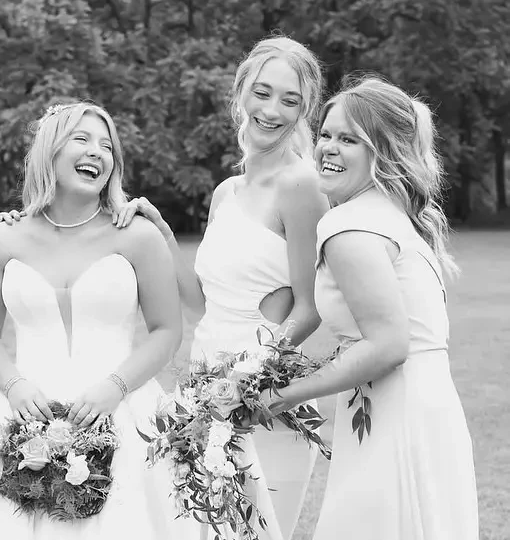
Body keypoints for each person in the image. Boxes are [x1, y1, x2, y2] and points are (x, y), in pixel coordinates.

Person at [0, 101, 201, 539]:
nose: (97, 152)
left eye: (107, 146)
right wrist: (15, 385)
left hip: (121, 405)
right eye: (81, 139)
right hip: (23, 406)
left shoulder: (138, 235)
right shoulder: (2, 238)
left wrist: (114, 388)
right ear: (49, 151)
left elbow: (167, 331)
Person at [115, 36, 329, 539]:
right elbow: (202, 306)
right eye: (263, 92)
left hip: (265, 400)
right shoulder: (226, 192)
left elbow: (310, 308)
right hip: (202, 388)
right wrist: (163, 233)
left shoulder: (302, 186)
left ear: (305, 112)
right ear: (241, 93)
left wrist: (246, 381)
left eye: (290, 100)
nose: (271, 110)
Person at [263, 76, 479, 539]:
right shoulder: (390, 216)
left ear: (382, 151)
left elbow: (387, 346)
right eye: (325, 135)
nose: (328, 149)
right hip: (422, 405)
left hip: (397, 415)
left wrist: (283, 394)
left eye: (349, 140)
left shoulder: (350, 227)